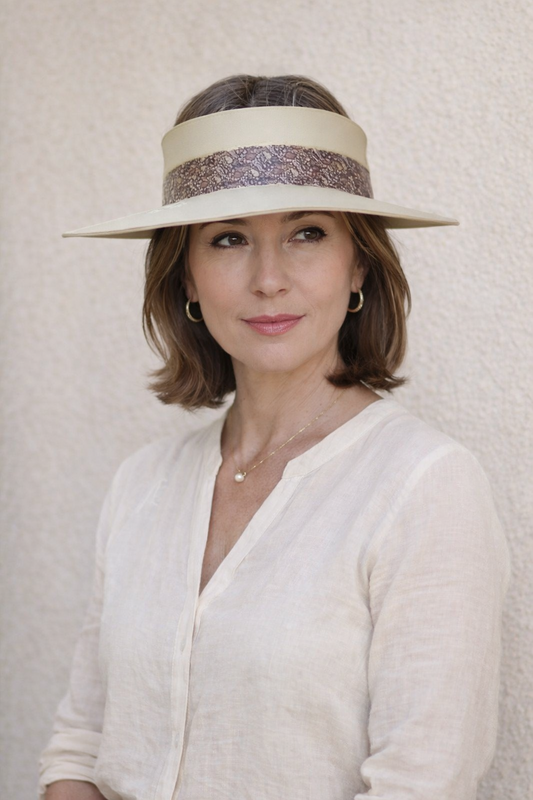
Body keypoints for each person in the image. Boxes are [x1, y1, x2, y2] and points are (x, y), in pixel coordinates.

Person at [38, 74, 511, 800]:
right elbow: (81, 747)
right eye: (228, 239)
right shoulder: (141, 483)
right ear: (186, 278)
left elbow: (422, 785)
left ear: (358, 262)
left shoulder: (425, 487)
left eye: (306, 233)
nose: (268, 279)